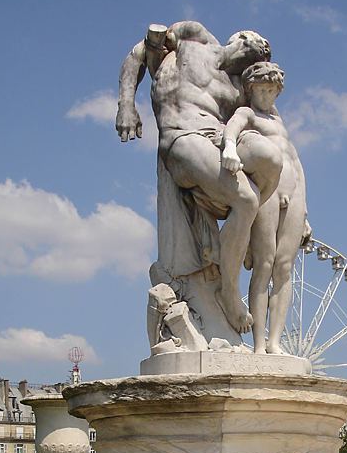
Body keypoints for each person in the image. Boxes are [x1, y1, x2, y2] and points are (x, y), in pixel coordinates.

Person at [116, 22, 282, 335]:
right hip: (182, 135)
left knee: (272, 158)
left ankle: (240, 240)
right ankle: (230, 293)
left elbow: (272, 127)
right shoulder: (194, 36)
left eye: (263, 55)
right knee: (246, 199)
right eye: (259, 46)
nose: (260, 54)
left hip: (218, 140)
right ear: (241, 37)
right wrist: (126, 105)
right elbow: (139, 52)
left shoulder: (238, 88)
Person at [220, 61, 311, 354]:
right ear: (251, 89)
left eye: (273, 90)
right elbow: (230, 131)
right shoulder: (247, 113)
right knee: (265, 264)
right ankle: (259, 344)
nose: (268, 95)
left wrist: (305, 209)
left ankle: (275, 342)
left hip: (295, 191)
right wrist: (230, 150)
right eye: (263, 89)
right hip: (267, 190)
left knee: (285, 268)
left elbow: (295, 161)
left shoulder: (278, 120)